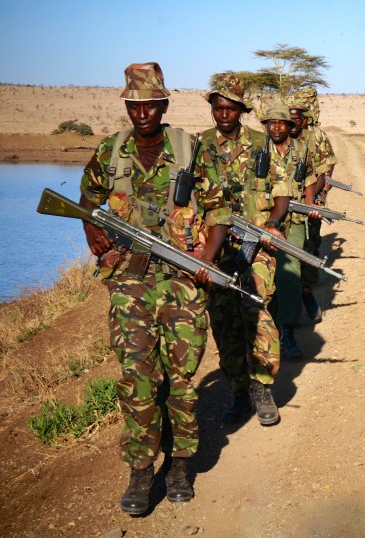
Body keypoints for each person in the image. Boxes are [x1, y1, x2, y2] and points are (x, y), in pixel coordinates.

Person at [79, 62, 231, 514]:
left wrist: (205, 261)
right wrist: (92, 230)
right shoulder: (112, 150)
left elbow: (218, 210)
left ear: (163, 105)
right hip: (129, 280)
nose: (142, 112)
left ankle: (181, 463)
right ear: (127, 107)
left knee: (182, 378)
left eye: (150, 104)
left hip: (183, 280)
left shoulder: (190, 150)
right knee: (137, 377)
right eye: (134, 104)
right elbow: (87, 198)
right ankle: (142, 470)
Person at [201, 74, 292, 427]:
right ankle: (238, 391)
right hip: (215, 247)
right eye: (218, 107)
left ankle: (262, 386)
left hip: (258, 247)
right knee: (223, 321)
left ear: (241, 110)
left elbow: (282, 190)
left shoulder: (261, 143)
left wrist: (273, 224)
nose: (224, 114)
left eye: (230, 108)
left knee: (257, 309)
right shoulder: (199, 145)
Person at [262, 103, 319, 359]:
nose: (276, 128)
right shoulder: (257, 149)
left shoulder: (301, 149)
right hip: (263, 219)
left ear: (289, 126)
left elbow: (308, 181)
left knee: (289, 274)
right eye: (271, 123)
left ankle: (287, 331)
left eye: (281, 123)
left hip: (294, 219)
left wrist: (311, 206)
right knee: (266, 276)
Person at [287, 87, 337, 323]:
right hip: (283, 205)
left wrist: (315, 194)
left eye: (297, 119)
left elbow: (327, 168)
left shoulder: (316, 137)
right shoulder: (279, 136)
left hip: (310, 202)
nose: (292, 123)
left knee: (309, 249)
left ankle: (306, 295)